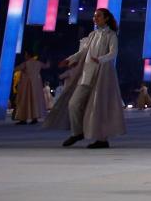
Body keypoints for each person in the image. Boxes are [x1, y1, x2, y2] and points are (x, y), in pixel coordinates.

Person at [46, 8, 125, 149]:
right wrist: (69, 60)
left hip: (102, 74)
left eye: (98, 16)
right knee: (74, 104)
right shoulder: (93, 35)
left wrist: (99, 60)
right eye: (94, 16)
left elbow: (113, 53)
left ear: (106, 18)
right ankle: (77, 132)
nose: (95, 18)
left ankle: (101, 139)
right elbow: (82, 52)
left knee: (98, 107)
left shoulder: (111, 35)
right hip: (87, 74)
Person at [14, 52, 47, 125]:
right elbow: (46, 66)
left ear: (28, 55)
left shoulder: (25, 63)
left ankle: (23, 118)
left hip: (26, 85)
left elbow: (16, 69)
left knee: (24, 100)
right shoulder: (39, 63)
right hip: (36, 85)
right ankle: (34, 117)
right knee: (34, 101)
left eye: (25, 55)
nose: (25, 56)